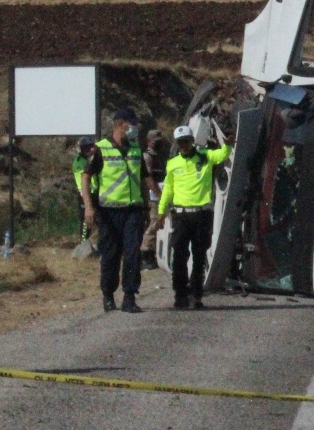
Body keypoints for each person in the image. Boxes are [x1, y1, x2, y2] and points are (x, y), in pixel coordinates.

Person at [81, 108, 156, 313]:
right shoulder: (100, 149)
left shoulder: (135, 149)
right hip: (109, 212)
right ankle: (108, 295)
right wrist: (88, 206)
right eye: (132, 124)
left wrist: (159, 201)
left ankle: (129, 296)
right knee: (111, 255)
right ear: (121, 124)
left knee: (132, 253)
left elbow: (145, 176)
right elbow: (86, 177)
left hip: (133, 210)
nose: (135, 128)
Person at [157, 124, 232, 310]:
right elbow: (168, 189)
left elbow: (222, 155)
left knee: (199, 257)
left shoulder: (205, 156)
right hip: (181, 216)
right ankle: (180, 294)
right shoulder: (173, 163)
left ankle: (197, 294)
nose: (184, 146)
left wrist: (228, 145)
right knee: (179, 257)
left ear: (192, 141)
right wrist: (161, 211)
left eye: (186, 142)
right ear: (177, 143)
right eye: (180, 143)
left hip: (201, 214)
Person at [140, 130, 169, 269]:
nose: (158, 143)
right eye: (154, 141)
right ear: (148, 141)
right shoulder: (147, 157)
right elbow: (149, 179)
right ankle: (146, 254)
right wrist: (159, 194)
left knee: (160, 223)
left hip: (162, 194)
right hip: (154, 197)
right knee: (153, 224)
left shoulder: (160, 156)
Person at [72, 135, 96, 244]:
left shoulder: (92, 159)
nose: (90, 149)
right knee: (86, 221)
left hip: (96, 193)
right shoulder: (79, 161)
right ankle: (83, 244)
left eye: (91, 146)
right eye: (87, 147)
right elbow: (83, 178)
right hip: (84, 194)